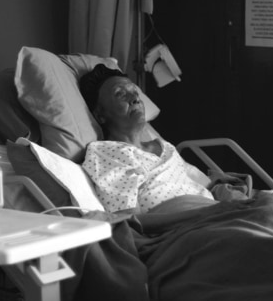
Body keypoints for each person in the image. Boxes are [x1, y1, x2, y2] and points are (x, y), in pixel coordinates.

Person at [78, 64, 215, 213]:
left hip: (216, 212)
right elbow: (131, 222)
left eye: (134, 92)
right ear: (100, 115)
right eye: (120, 94)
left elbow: (199, 185)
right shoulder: (107, 152)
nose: (135, 99)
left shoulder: (166, 147)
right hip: (189, 225)